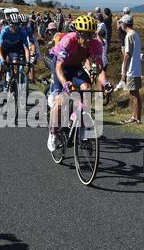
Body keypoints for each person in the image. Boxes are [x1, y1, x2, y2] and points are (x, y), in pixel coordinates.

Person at [46, 16, 110, 152]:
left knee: (86, 89)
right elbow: (58, 67)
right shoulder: (68, 40)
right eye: (85, 36)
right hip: (60, 67)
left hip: (75, 67)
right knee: (60, 100)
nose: (87, 40)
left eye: (91, 35)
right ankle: (52, 133)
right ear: (78, 33)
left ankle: (82, 133)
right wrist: (65, 83)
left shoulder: (96, 44)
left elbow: (99, 69)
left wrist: (106, 83)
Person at [0, 14, 30, 101]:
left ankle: (13, 86)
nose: (15, 28)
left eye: (17, 25)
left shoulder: (22, 31)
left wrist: (28, 61)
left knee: (16, 65)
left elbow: (26, 48)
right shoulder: (5, 31)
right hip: (3, 49)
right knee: (0, 69)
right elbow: (0, 47)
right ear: (10, 25)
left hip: (13, 50)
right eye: (13, 25)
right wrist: (1, 59)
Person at [118, 15, 142, 125]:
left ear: (124, 24)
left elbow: (127, 55)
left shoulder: (128, 36)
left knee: (133, 94)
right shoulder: (136, 34)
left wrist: (124, 71)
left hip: (132, 69)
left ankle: (135, 118)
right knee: (135, 93)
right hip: (137, 68)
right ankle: (136, 117)